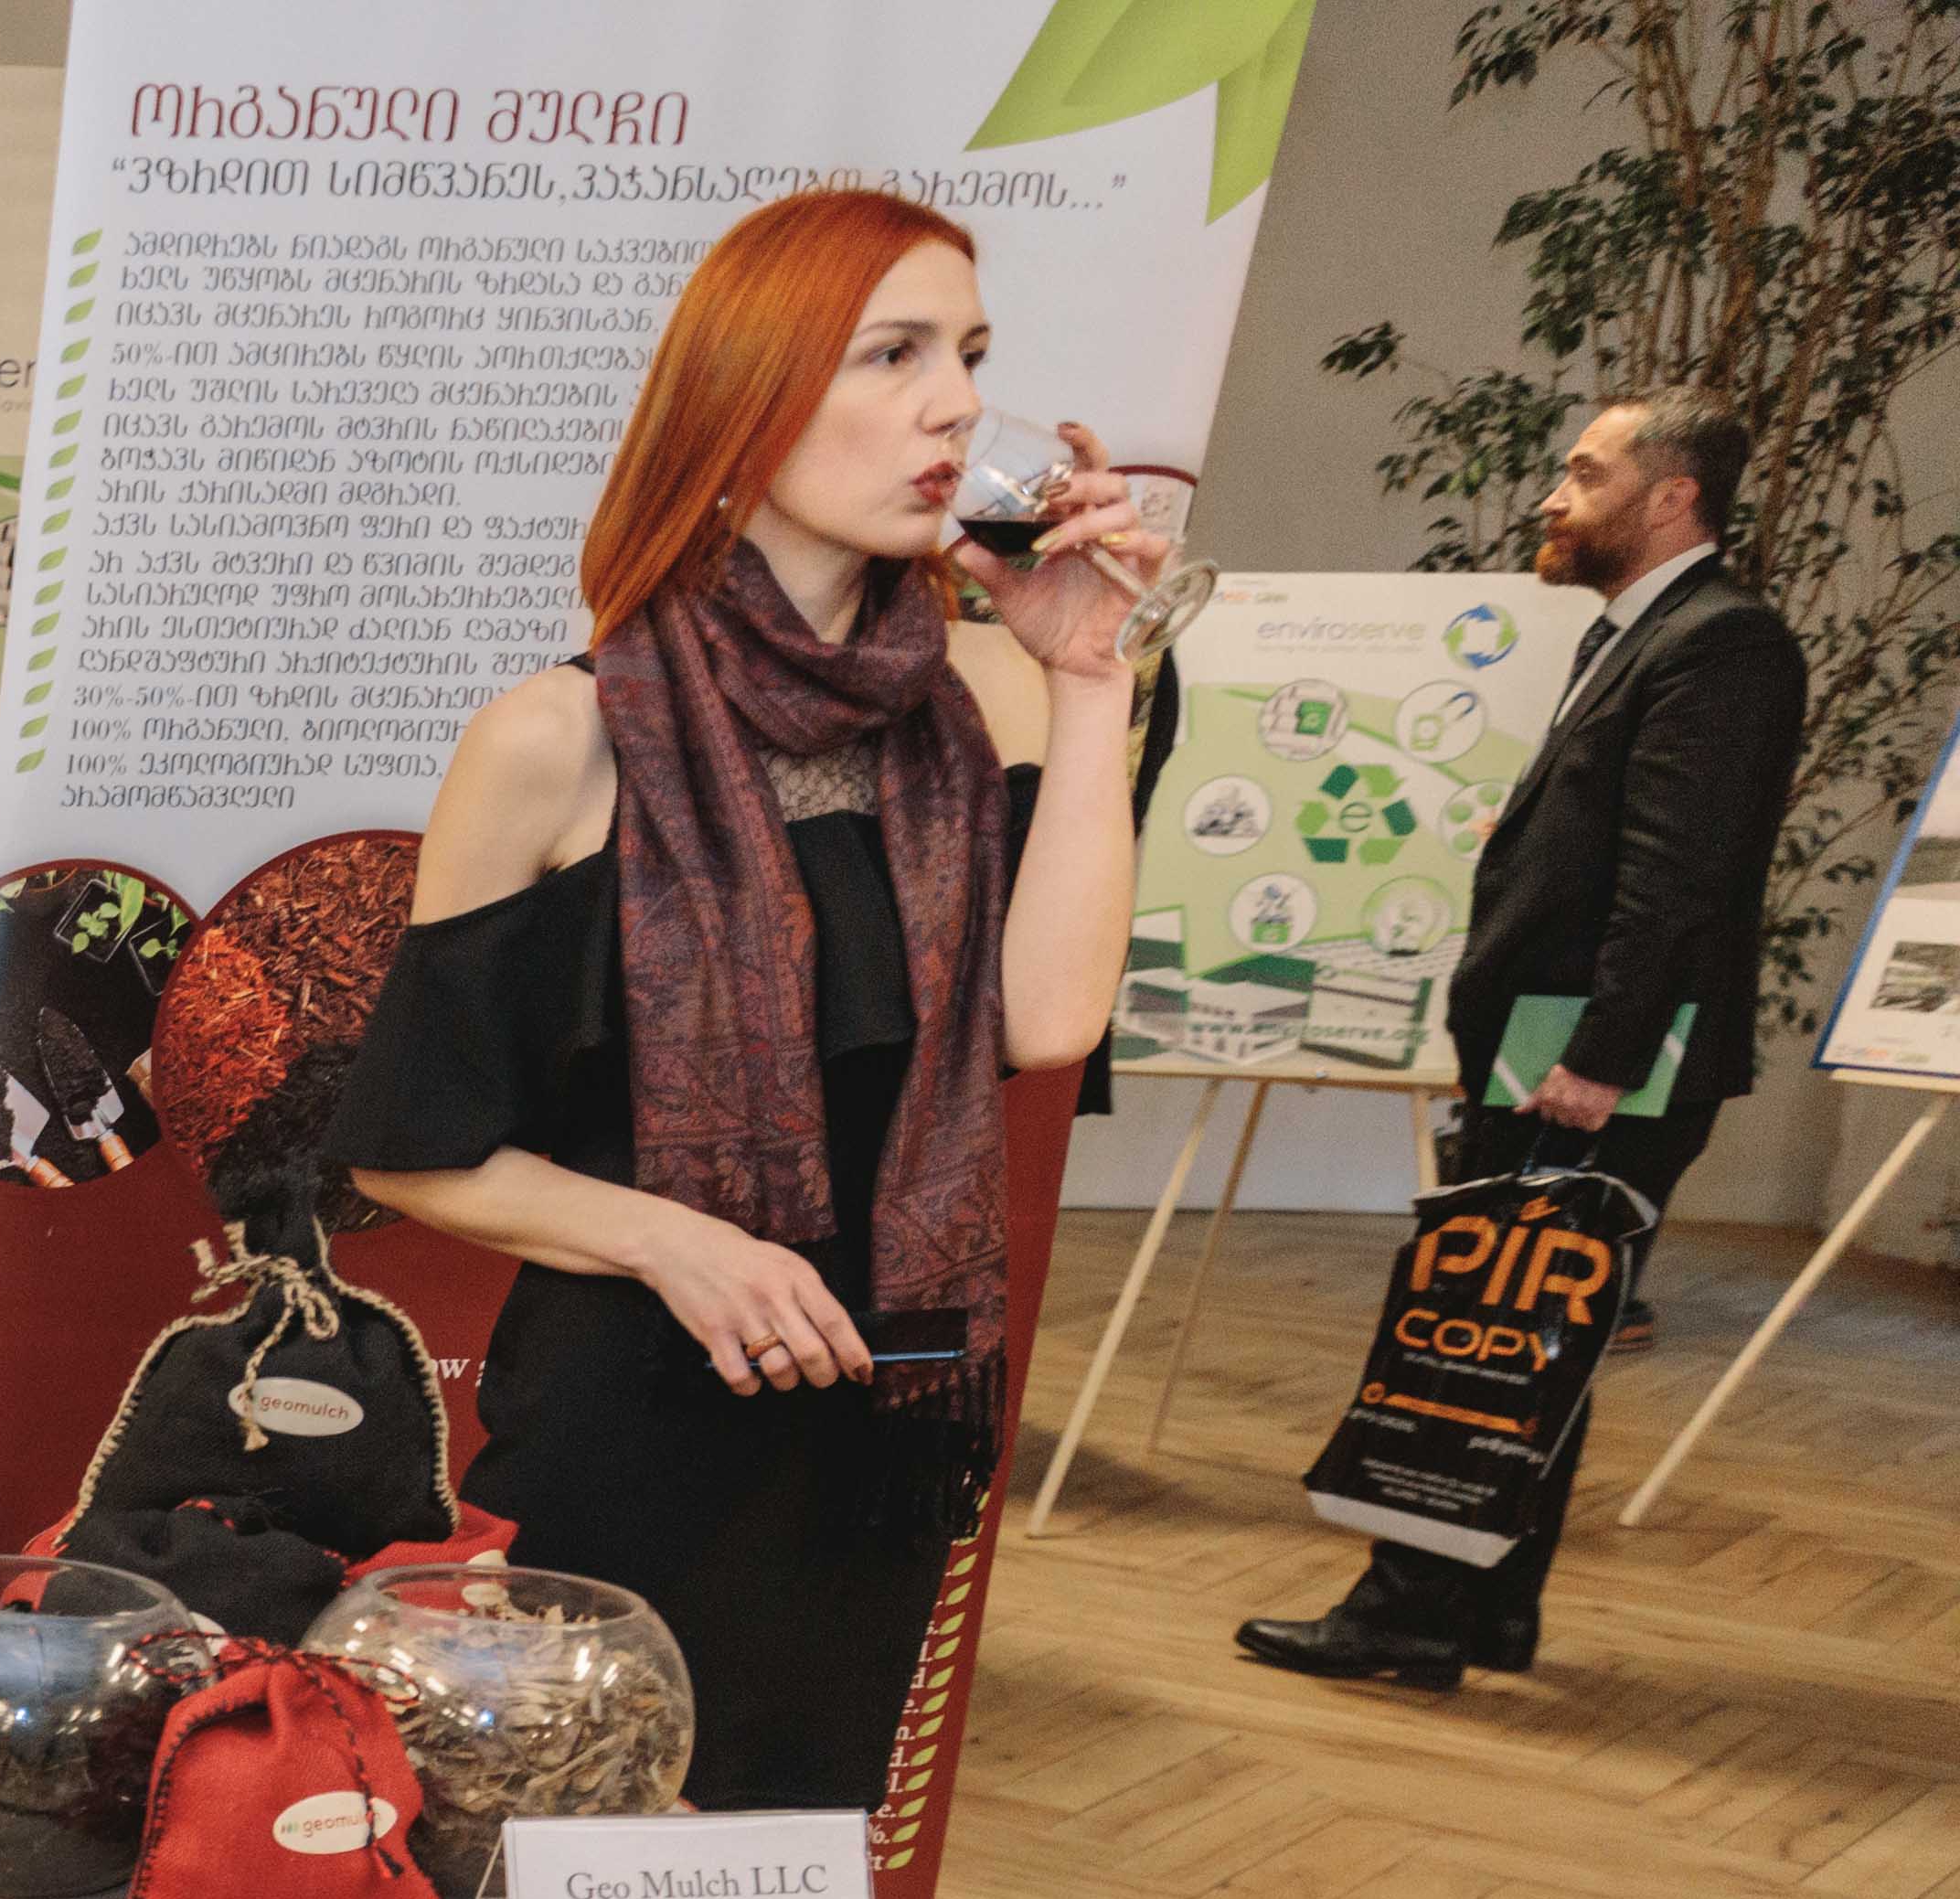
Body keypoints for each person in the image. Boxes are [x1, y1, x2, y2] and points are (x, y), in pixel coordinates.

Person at [332, 191, 1162, 1817]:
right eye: (894, 355)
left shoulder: (989, 701)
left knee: (782, 1894)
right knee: (557, 1889)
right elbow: (412, 1147)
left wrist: (1091, 681)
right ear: (746, 403)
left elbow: (1051, 1022)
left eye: (970, 356)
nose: (955, 404)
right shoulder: (559, 740)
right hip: (631, 1432)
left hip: (877, 1431)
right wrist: (680, 1242)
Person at [1240, 388, 1805, 1691]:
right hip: (1560, 1051)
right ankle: (1486, 1610)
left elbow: (1676, 881)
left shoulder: (1722, 644)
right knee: (1534, 1329)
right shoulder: (1647, 632)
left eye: (1587, 472)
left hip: (1590, 1066)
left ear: (1672, 497)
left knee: (1481, 1330)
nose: (1556, 494)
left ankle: (1405, 1617)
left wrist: (1601, 1057)